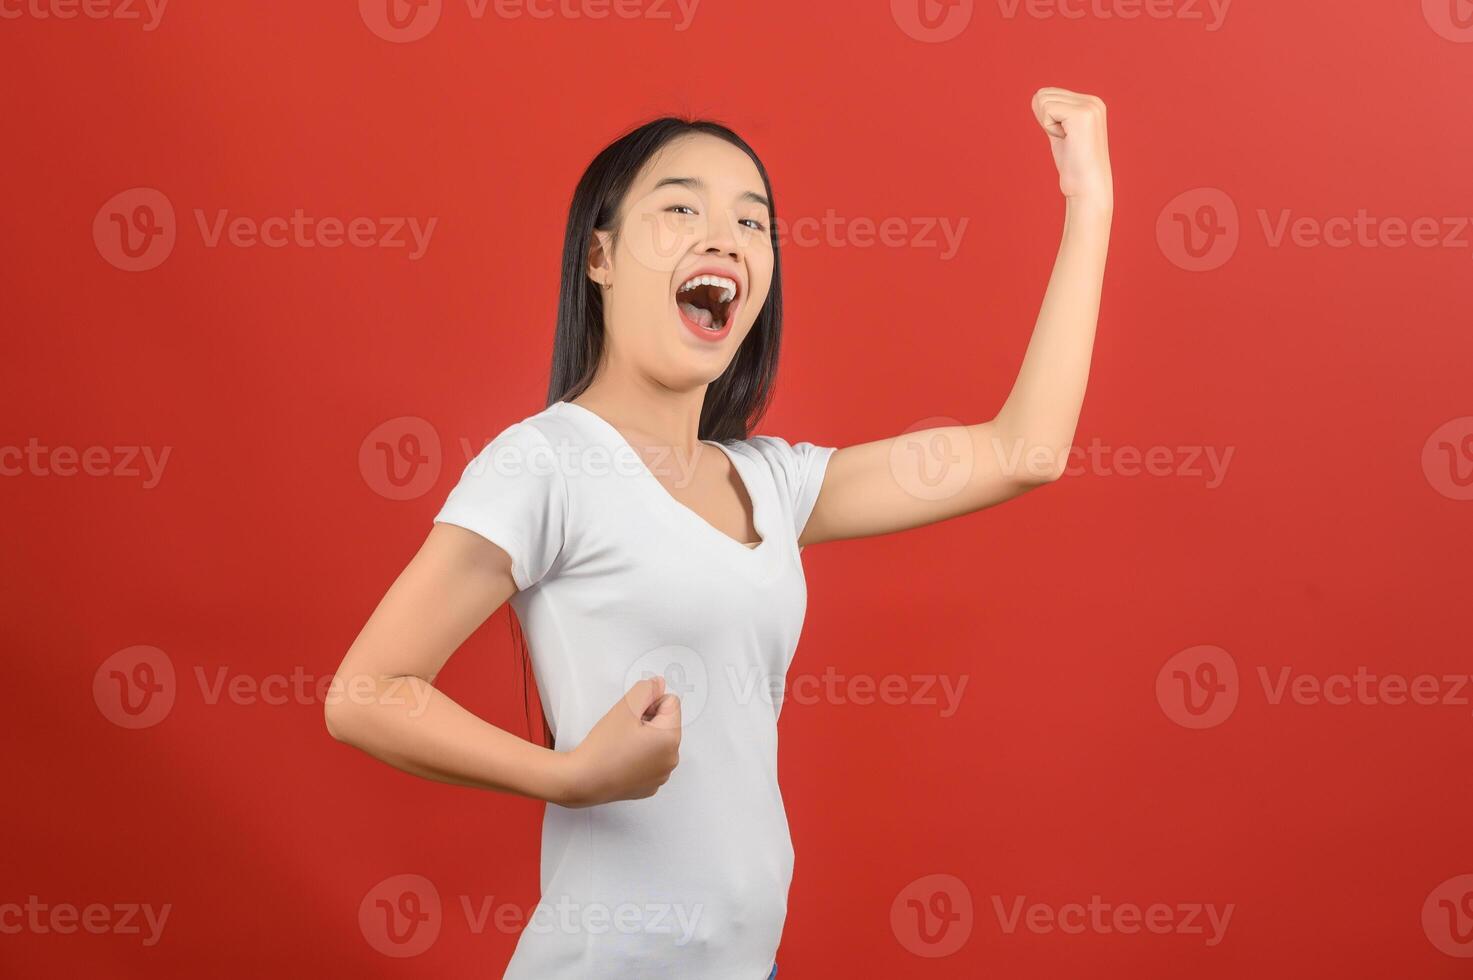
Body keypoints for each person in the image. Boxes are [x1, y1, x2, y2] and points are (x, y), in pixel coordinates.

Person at [326, 89, 1112, 978]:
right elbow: (365, 693)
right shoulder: (547, 462)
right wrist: (572, 777)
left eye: (753, 220)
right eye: (679, 208)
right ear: (600, 254)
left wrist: (1090, 202)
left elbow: (1023, 451)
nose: (724, 235)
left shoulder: (774, 482)